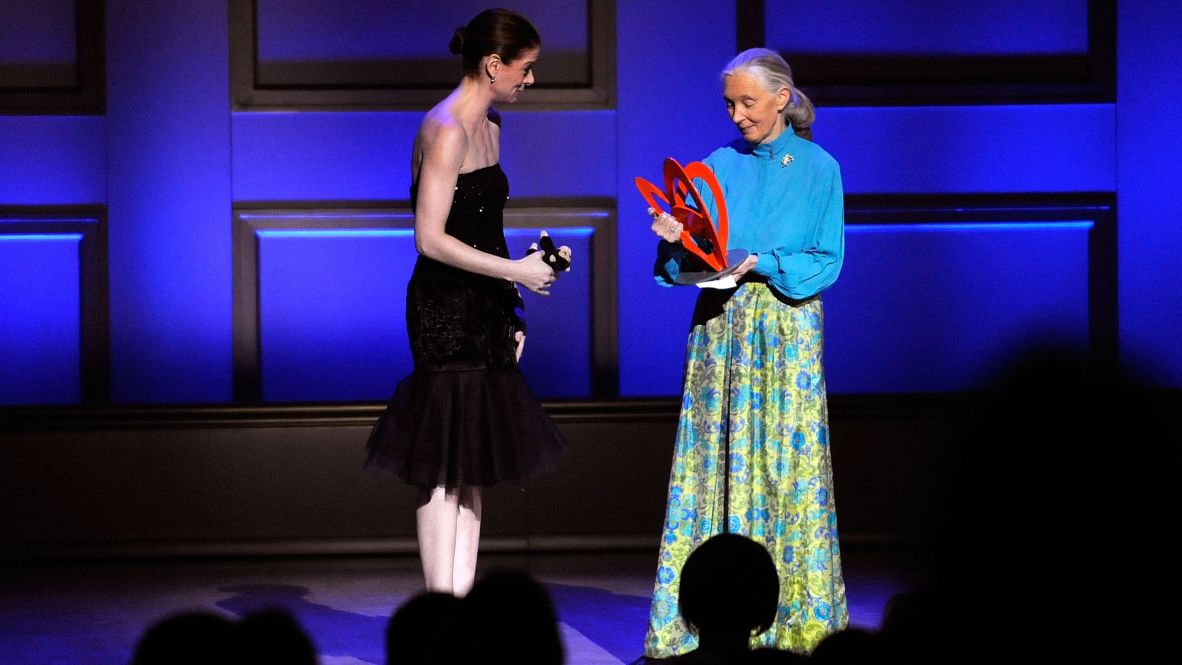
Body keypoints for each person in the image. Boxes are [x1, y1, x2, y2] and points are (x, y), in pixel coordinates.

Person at [643, 48, 848, 658]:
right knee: (715, 465)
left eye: (748, 102)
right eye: (730, 103)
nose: (737, 114)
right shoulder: (714, 167)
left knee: (786, 469)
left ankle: (794, 624)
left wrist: (763, 261)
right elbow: (685, 266)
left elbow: (826, 259)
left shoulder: (818, 168)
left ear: (782, 99)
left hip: (784, 331)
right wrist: (676, 241)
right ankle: (705, 625)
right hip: (721, 332)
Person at [365, 8, 568, 597]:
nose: (529, 80)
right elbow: (429, 238)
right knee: (442, 467)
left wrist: (515, 296)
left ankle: (462, 608)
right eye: (525, 69)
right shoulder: (447, 128)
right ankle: (439, 612)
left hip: (486, 306)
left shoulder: (492, 125)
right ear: (493, 64)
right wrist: (515, 274)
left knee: (472, 462)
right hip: (445, 309)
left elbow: (483, 227)